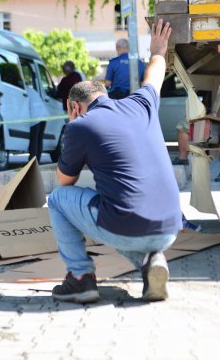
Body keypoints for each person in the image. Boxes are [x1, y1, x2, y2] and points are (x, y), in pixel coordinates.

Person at [47, 19, 181, 303]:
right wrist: (157, 49)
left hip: (126, 226)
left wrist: (74, 130)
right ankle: (151, 262)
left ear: (74, 106)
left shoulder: (79, 126)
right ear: (104, 95)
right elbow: (154, 74)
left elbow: (64, 181)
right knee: (117, 208)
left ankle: (81, 278)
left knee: (59, 199)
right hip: (170, 228)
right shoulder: (141, 103)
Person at [26, 67, 48, 164]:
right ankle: (37, 160)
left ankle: (32, 161)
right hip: (44, 115)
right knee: (39, 139)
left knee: (34, 139)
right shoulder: (31, 90)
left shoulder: (24, 92)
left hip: (35, 116)